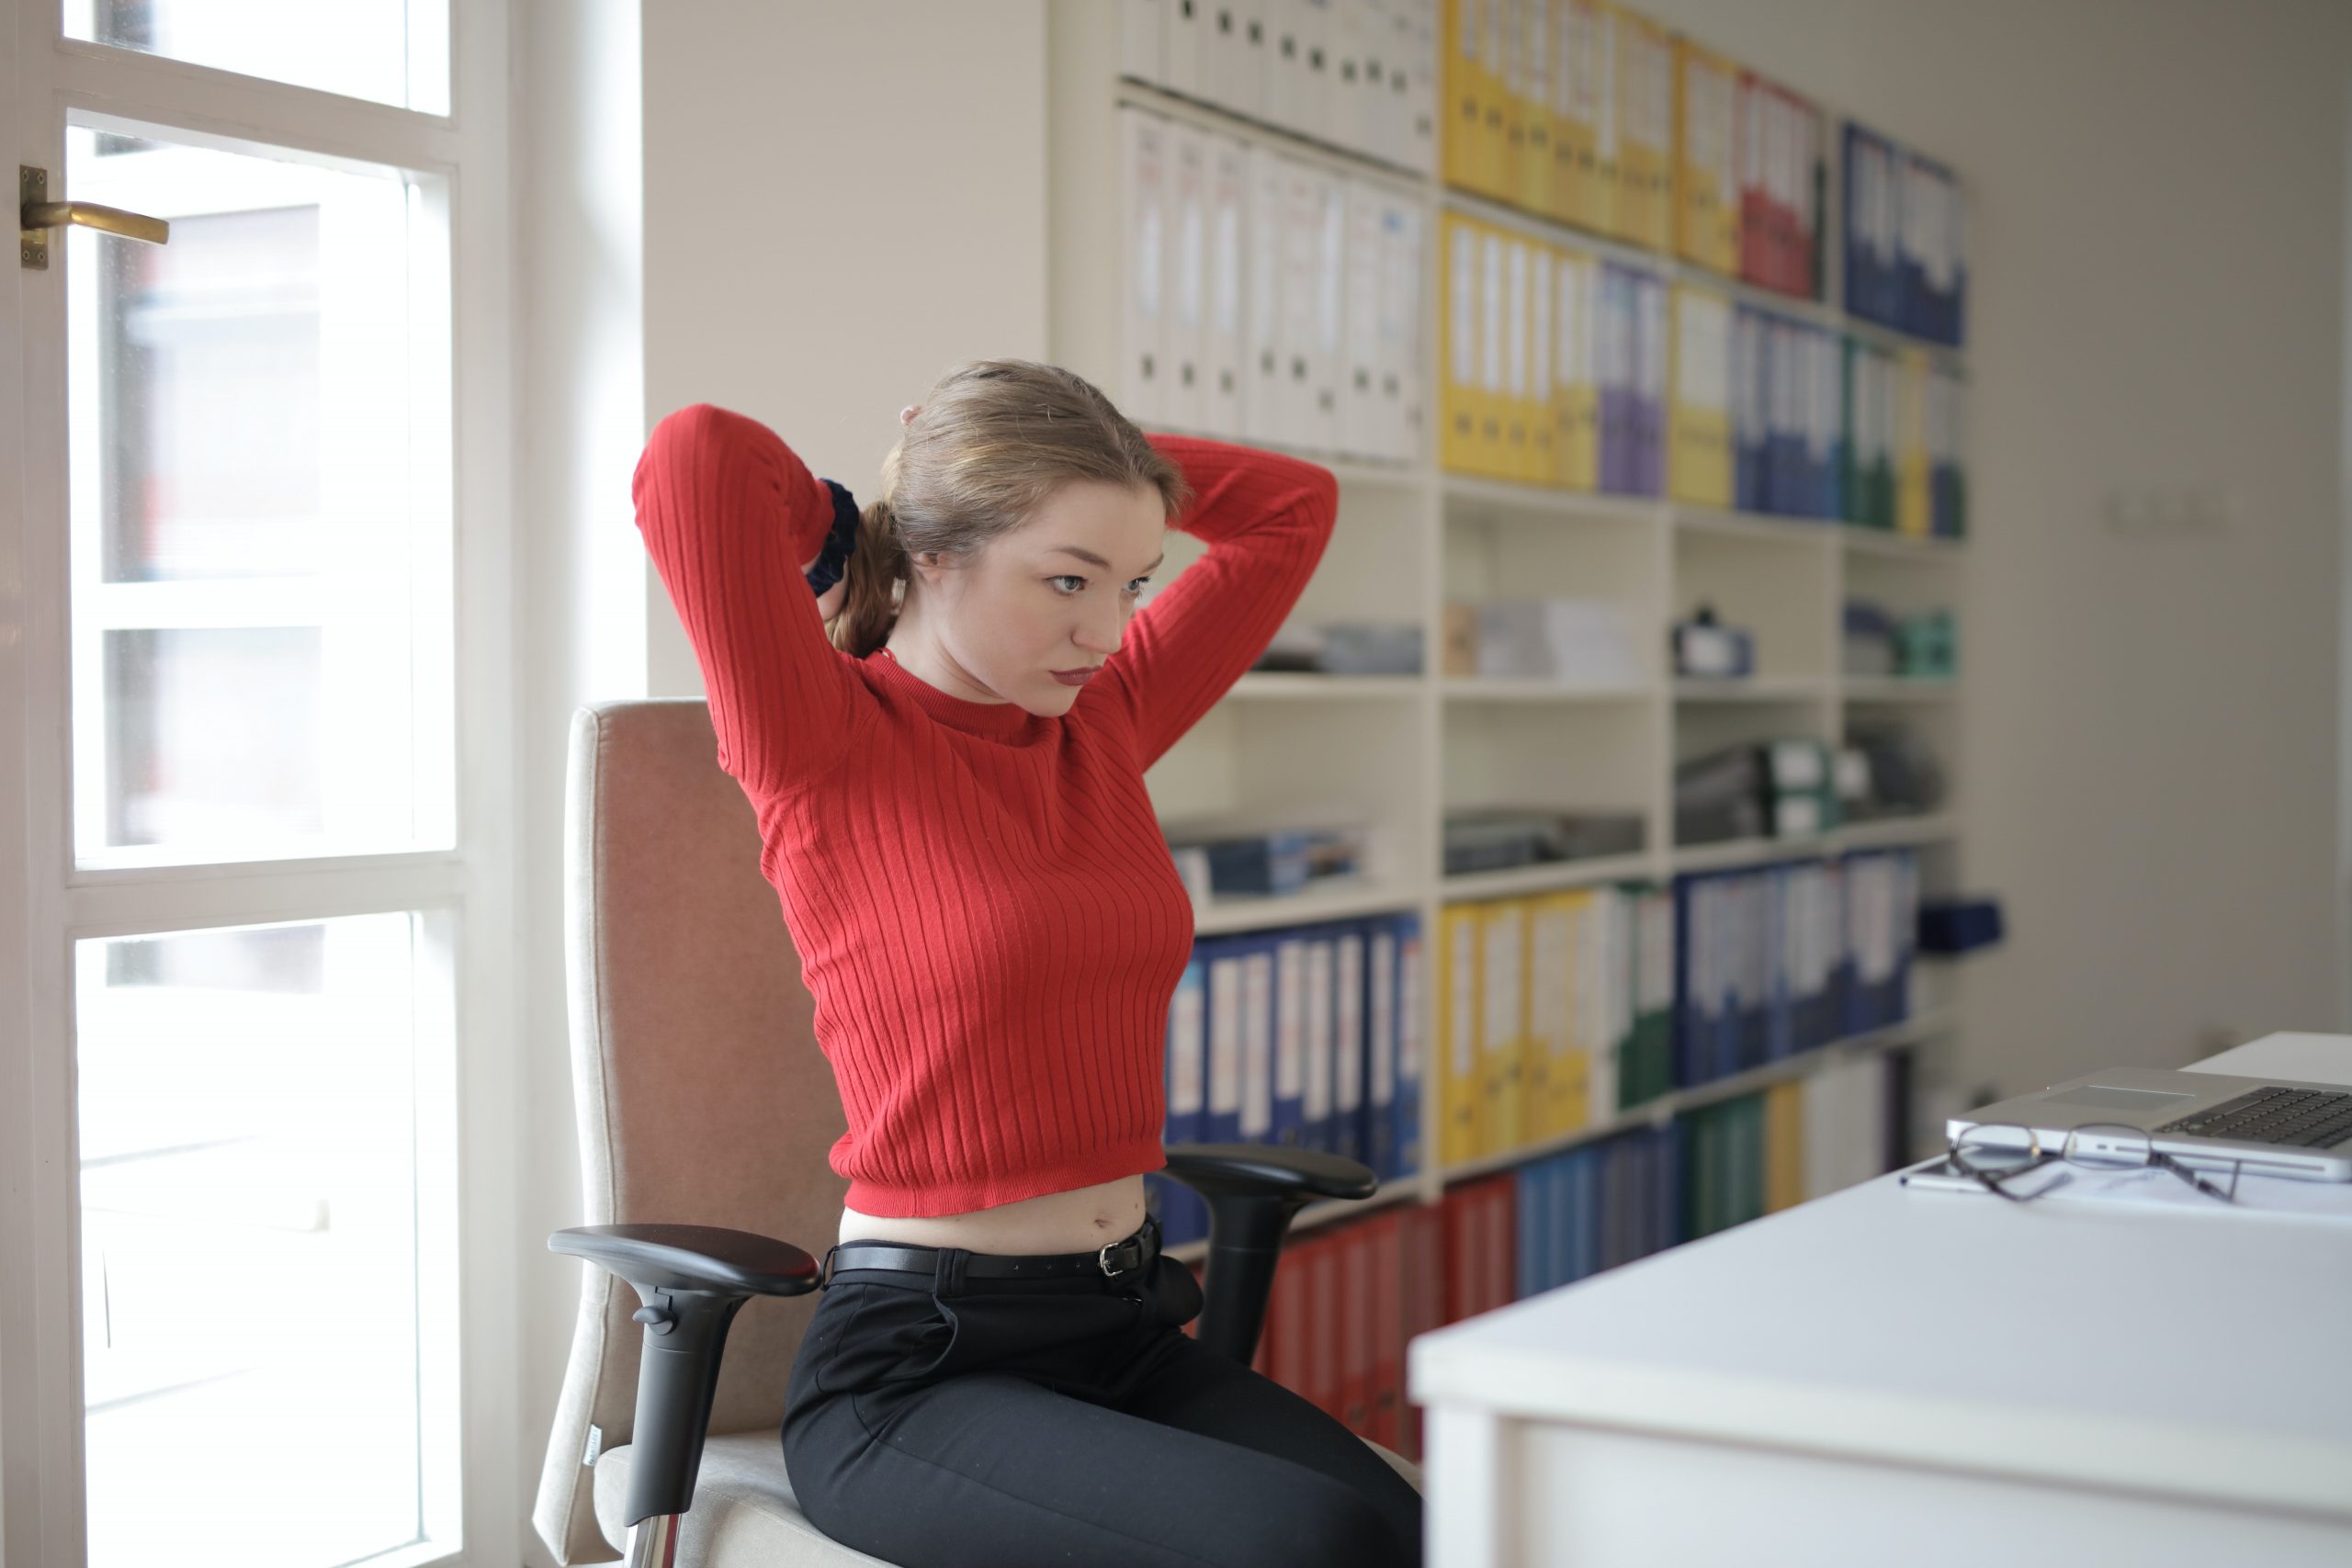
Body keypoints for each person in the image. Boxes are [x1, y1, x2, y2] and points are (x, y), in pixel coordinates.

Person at [630, 358, 1423, 1568]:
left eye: (1131, 584)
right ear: (938, 555)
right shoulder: (819, 739)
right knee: (1305, 1543)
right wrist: (856, 522)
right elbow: (696, 458)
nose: (1105, 631)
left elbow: (1291, 507)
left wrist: (1098, 463)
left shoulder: (1099, 723)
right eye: (1064, 579)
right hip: (915, 1371)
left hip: (1123, 1326)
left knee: (1433, 1533)